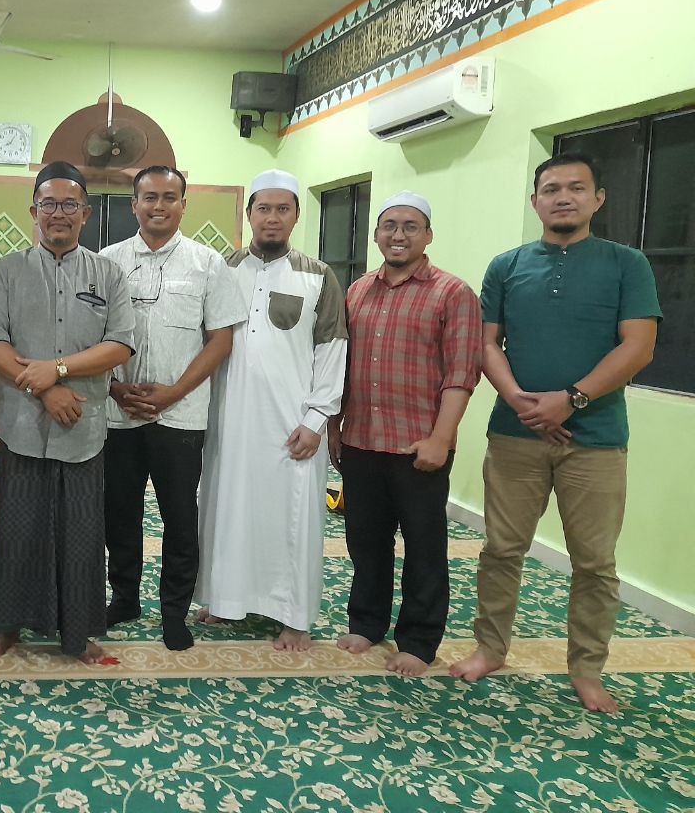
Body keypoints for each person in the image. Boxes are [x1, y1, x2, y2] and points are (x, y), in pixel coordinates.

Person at [451, 154, 660, 714]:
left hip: (596, 439)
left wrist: (571, 400)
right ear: (535, 201)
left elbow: (638, 345)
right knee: (501, 550)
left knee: (594, 562)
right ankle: (490, 648)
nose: (563, 197)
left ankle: (587, 670)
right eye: (551, 189)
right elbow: (487, 343)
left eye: (576, 188)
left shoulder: (627, 264)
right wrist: (520, 400)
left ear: (598, 199)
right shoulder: (507, 266)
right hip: (515, 433)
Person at [0, 161, 134, 663]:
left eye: (69, 204)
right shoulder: (7, 271)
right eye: (49, 204)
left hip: (82, 428)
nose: (58, 214)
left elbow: (119, 345)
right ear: (34, 211)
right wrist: (44, 390)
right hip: (23, 423)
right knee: (18, 531)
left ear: (85, 213)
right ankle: (8, 626)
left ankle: (76, 634)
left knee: (82, 535)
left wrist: (58, 371)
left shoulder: (108, 274)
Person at [194, 169, 347, 651]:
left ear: (297, 215)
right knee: (224, 508)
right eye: (264, 208)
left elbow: (332, 349)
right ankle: (224, 599)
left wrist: (317, 419)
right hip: (228, 417)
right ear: (249, 214)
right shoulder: (222, 268)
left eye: (283, 209)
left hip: (292, 423)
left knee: (293, 518)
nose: (273, 217)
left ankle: (294, 618)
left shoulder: (318, 276)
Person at [330, 191, 482, 676]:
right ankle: (367, 622)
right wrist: (335, 426)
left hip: (419, 445)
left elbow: (462, 373)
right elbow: (341, 368)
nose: (398, 235)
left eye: (410, 226)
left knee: (424, 547)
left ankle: (418, 640)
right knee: (365, 542)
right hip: (361, 440)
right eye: (389, 226)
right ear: (376, 235)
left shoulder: (453, 293)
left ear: (428, 235)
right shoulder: (357, 291)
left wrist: (442, 437)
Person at [98, 165, 244, 651]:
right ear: (134, 205)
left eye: (168, 197)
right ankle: (124, 598)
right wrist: (114, 389)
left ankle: (174, 612)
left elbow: (220, 340)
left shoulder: (208, 264)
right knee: (119, 514)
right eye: (149, 197)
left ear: (184, 204)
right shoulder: (107, 262)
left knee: (180, 517)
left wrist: (173, 392)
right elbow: (90, 337)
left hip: (180, 417)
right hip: (118, 414)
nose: (158, 206)